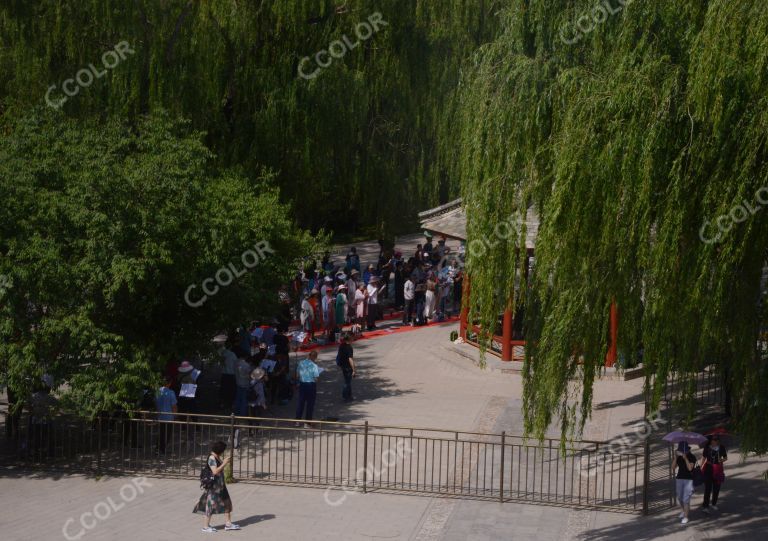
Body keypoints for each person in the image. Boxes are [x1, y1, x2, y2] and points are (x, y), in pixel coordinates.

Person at [194, 441, 240, 533]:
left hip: (221, 485)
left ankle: (228, 524)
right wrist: (224, 463)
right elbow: (215, 471)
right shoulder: (211, 457)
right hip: (214, 487)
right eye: (223, 450)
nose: (223, 452)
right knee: (211, 505)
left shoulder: (216, 456)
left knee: (227, 503)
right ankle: (205, 526)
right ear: (220, 450)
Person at [700, 435, 727, 513]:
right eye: (714, 439)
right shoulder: (707, 447)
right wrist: (701, 467)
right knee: (707, 488)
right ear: (710, 441)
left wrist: (721, 460)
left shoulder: (721, 447)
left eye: (717, 439)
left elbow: (725, 457)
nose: (716, 441)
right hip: (708, 468)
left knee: (716, 487)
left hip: (718, 469)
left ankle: (714, 503)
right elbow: (704, 457)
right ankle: (705, 506)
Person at [294, 350, 321, 421]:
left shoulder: (301, 363)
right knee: (310, 404)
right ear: (314, 357)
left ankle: (297, 421)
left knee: (300, 403)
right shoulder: (314, 366)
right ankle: (307, 422)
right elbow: (316, 379)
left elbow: (297, 376)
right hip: (311, 385)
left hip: (302, 385)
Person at [674, 441, 697, 524]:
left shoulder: (692, 457)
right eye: (680, 450)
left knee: (685, 499)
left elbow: (690, 468)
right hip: (679, 478)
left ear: (687, 450)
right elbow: (673, 467)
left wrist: (686, 458)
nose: (682, 452)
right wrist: (676, 457)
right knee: (680, 497)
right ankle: (683, 510)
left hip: (689, 479)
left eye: (683, 450)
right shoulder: (679, 457)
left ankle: (686, 517)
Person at [155, 379, 178, 454]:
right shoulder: (171, 392)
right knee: (167, 434)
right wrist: (175, 415)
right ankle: (162, 449)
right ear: (169, 383)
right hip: (169, 416)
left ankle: (158, 448)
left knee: (161, 432)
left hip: (160, 416)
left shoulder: (157, 392)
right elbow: (174, 406)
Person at [336, 334, 357, 401]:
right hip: (348, 367)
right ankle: (345, 396)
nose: (353, 338)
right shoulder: (349, 347)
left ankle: (349, 395)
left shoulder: (342, 345)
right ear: (350, 339)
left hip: (343, 366)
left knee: (348, 381)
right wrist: (354, 369)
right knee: (347, 382)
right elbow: (350, 359)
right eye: (352, 337)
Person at [218, 343, 238, 409]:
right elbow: (236, 365)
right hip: (232, 374)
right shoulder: (233, 354)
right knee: (231, 390)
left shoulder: (222, 354)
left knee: (223, 389)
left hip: (224, 374)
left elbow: (220, 364)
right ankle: (232, 404)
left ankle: (222, 403)